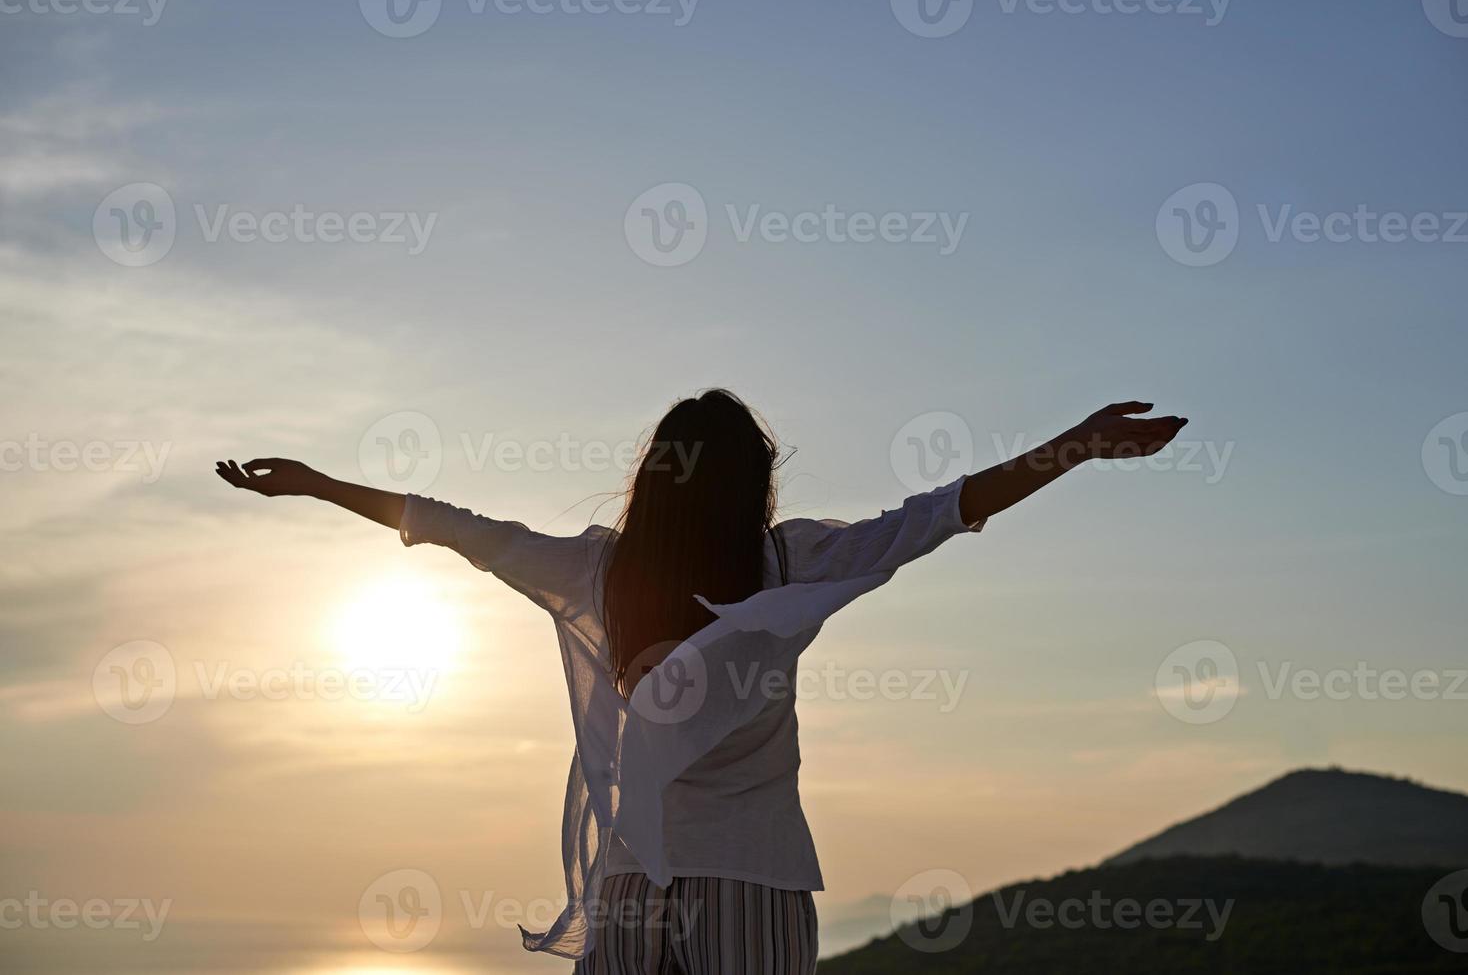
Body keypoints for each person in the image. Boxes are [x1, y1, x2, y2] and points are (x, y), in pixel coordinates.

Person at [216, 389, 1187, 974]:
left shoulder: (596, 570)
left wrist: (315, 483)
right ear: (754, 478)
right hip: (755, 881)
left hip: (633, 882)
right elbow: (941, 512)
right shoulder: (789, 560)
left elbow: (456, 526)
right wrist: (1079, 443)